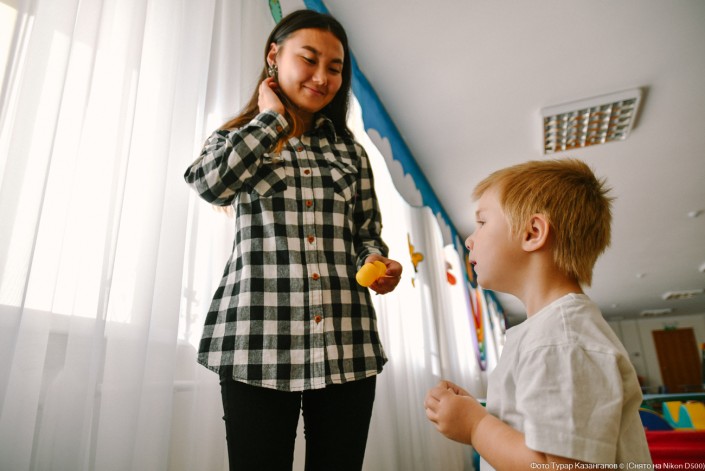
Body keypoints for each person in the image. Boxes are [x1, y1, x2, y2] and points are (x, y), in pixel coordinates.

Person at [184, 9, 402, 471]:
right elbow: (209, 185)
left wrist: (378, 262)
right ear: (274, 57)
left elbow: (366, 233)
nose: (322, 77)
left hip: (347, 342)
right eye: (309, 59)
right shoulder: (235, 137)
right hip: (256, 341)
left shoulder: (351, 152)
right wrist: (270, 120)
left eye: (335, 68)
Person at [424, 159, 652, 469]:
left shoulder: (560, 339)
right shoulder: (551, 333)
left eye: (482, 222)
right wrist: (481, 415)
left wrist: (476, 427)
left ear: (532, 232)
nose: (469, 239)